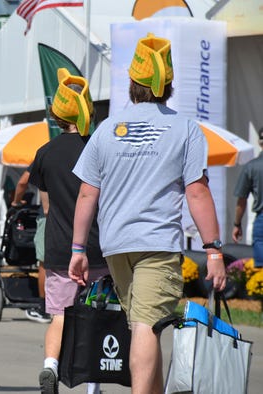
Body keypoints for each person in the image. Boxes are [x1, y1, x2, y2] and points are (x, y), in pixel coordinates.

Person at [68, 33, 227, 393]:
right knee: (146, 326)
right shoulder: (185, 128)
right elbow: (197, 191)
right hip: (156, 243)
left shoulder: (107, 129)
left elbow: (87, 192)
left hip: (116, 246)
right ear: (168, 85)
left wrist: (78, 250)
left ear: (132, 83)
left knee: (143, 325)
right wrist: (214, 250)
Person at [28, 68, 110, 394]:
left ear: (57, 115)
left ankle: (50, 365)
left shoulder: (45, 154)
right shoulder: (99, 148)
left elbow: (46, 207)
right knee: (98, 316)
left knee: (60, 314)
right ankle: (93, 385)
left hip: (60, 248)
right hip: (97, 246)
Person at [10, 169, 51, 323]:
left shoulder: (44, 154)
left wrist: (17, 201)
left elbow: (22, 181)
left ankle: (44, 308)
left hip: (49, 216)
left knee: (45, 262)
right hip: (74, 213)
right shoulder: (82, 152)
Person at [232, 127, 263, 268]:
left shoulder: (251, 167)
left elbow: (241, 200)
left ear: (259, 142)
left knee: (261, 271)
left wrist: (237, 224)